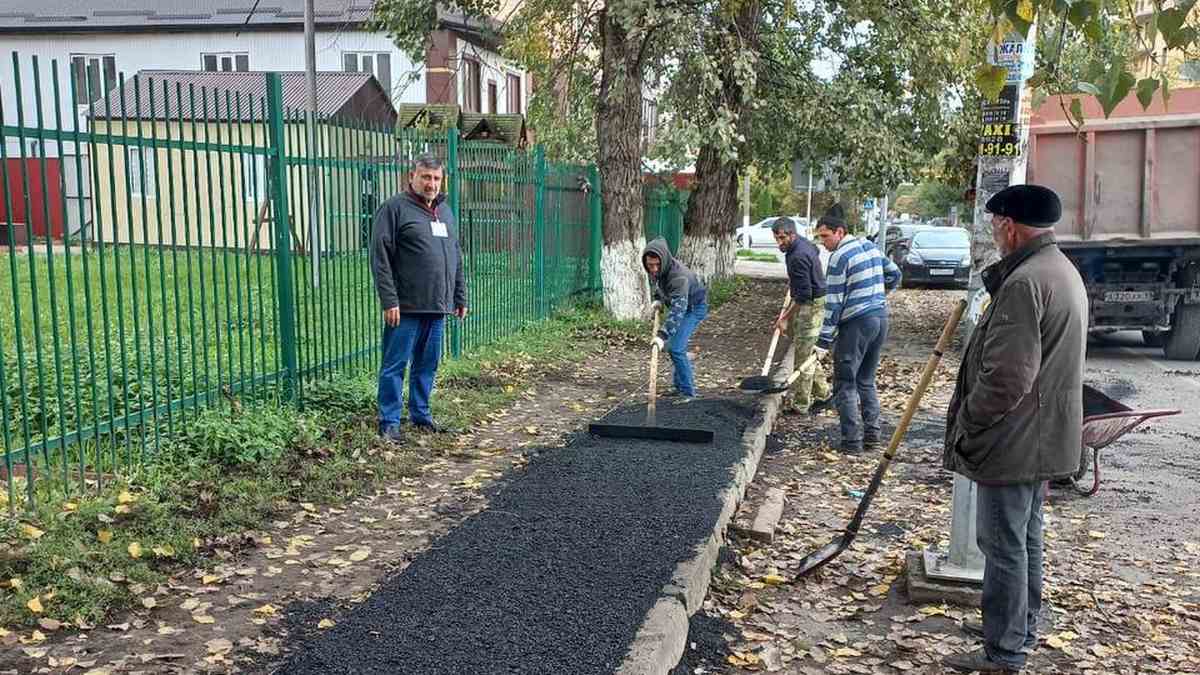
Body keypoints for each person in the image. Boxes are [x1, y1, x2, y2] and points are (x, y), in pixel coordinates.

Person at [942, 184, 1088, 674]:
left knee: (1003, 544)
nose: (993, 234)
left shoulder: (1026, 281)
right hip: (1043, 436)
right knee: (1025, 538)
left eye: (994, 225)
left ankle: (1004, 652)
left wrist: (969, 422)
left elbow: (1006, 379)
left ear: (1009, 225)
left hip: (1016, 439)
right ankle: (1015, 626)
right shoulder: (1060, 270)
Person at [370, 154, 468, 443]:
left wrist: (459, 296)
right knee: (395, 365)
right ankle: (389, 421)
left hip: (437, 306)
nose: (431, 184)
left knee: (427, 364)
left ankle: (421, 415)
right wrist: (390, 300)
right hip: (406, 307)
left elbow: (455, 256)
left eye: (436, 178)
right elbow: (380, 258)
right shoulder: (394, 209)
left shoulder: (445, 212)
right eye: (426, 177)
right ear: (411, 176)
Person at [814, 204, 901, 453]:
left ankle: (852, 442)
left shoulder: (839, 257)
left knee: (845, 383)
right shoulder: (872, 247)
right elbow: (895, 274)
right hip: (880, 319)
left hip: (856, 325)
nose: (823, 243)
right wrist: (879, 295)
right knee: (866, 380)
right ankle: (873, 437)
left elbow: (833, 304)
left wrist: (822, 342)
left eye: (825, 236)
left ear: (839, 232)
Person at [770, 217, 831, 414]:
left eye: (782, 238)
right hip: (812, 299)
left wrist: (785, 318)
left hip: (811, 305)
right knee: (806, 350)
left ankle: (801, 404)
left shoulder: (797, 257)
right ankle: (823, 393)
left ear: (792, 234)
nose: (779, 242)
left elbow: (804, 296)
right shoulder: (804, 245)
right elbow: (816, 251)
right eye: (776, 238)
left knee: (802, 357)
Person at [643, 238, 708, 399]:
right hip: (681, 305)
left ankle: (688, 393)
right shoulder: (659, 269)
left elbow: (679, 310)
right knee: (676, 348)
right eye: (650, 265)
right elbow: (660, 284)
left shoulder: (679, 277)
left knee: (676, 348)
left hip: (693, 308)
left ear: (663, 260)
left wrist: (662, 336)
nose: (654, 269)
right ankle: (679, 387)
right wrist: (658, 298)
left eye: (657, 265)